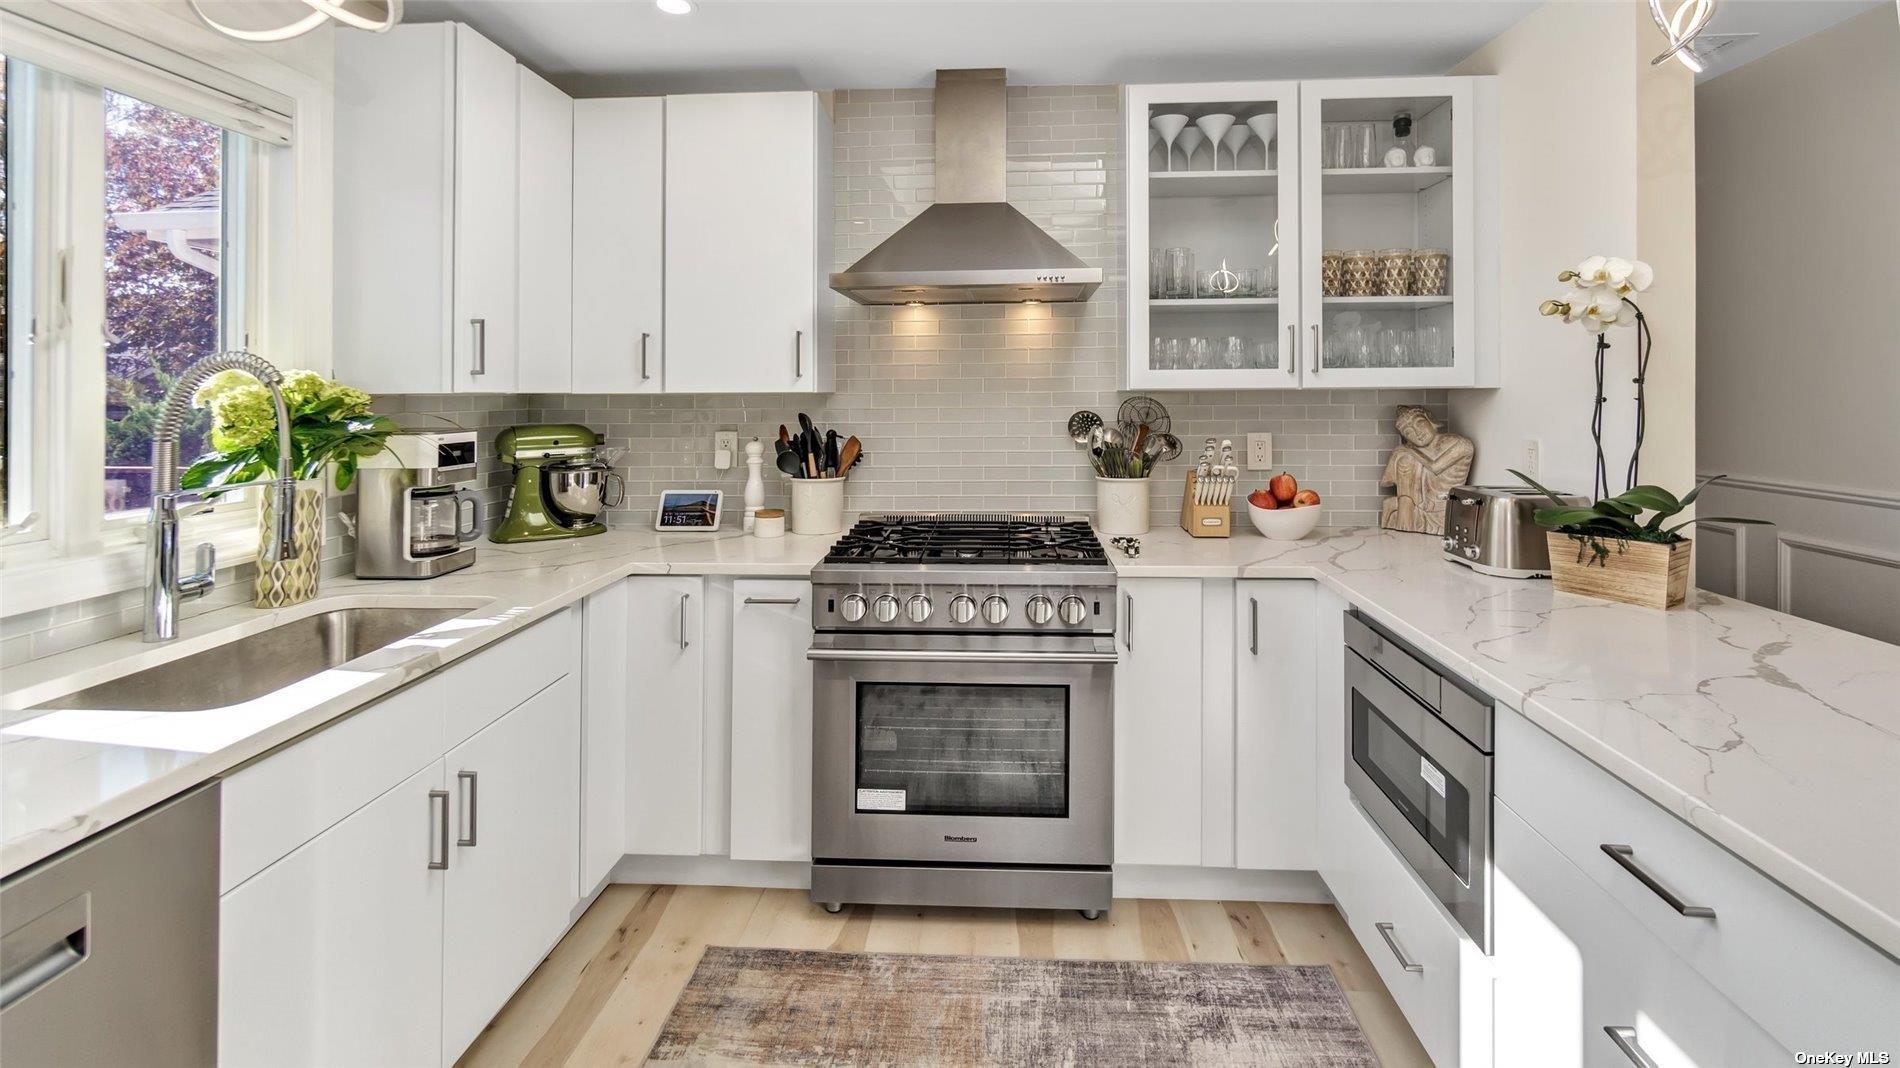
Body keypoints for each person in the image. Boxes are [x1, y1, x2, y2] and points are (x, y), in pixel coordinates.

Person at [1380, 406, 1474, 535]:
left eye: (1420, 424)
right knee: (1404, 459)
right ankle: (1405, 509)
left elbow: (1435, 467)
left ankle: (1402, 509)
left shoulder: (1461, 444)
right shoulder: (1415, 450)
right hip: (1422, 502)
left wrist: (1409, 449)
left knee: (1405, 455)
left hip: (1443, 505)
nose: (1417, 433)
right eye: (1408, 432)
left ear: (1431, 421)